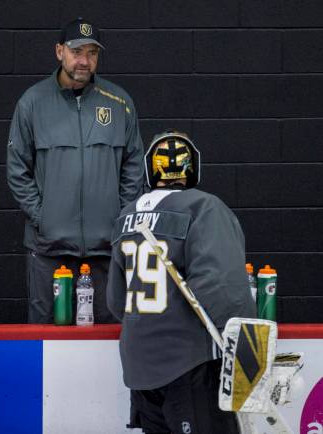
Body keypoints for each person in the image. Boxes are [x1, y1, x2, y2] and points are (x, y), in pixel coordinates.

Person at [106, 130, 256, 433]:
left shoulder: (127, 217)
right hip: (189, 364)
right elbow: (222, 289)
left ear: (152, 169)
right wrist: (248, 353)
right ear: (192, 167)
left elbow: (116, 300)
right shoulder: (204, 207)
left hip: (139, 366)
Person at [6, 17, 144, 324]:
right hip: (49, 251)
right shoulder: (32, 103)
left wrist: (119, 217)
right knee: (45, 336)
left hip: (106, 250)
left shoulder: (120, 103)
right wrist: (44, 217)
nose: (84, 61)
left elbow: (134, 166)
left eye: (92, 53)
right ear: (59, 52)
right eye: (76, 51)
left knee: (108, 341)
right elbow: (17, 170)